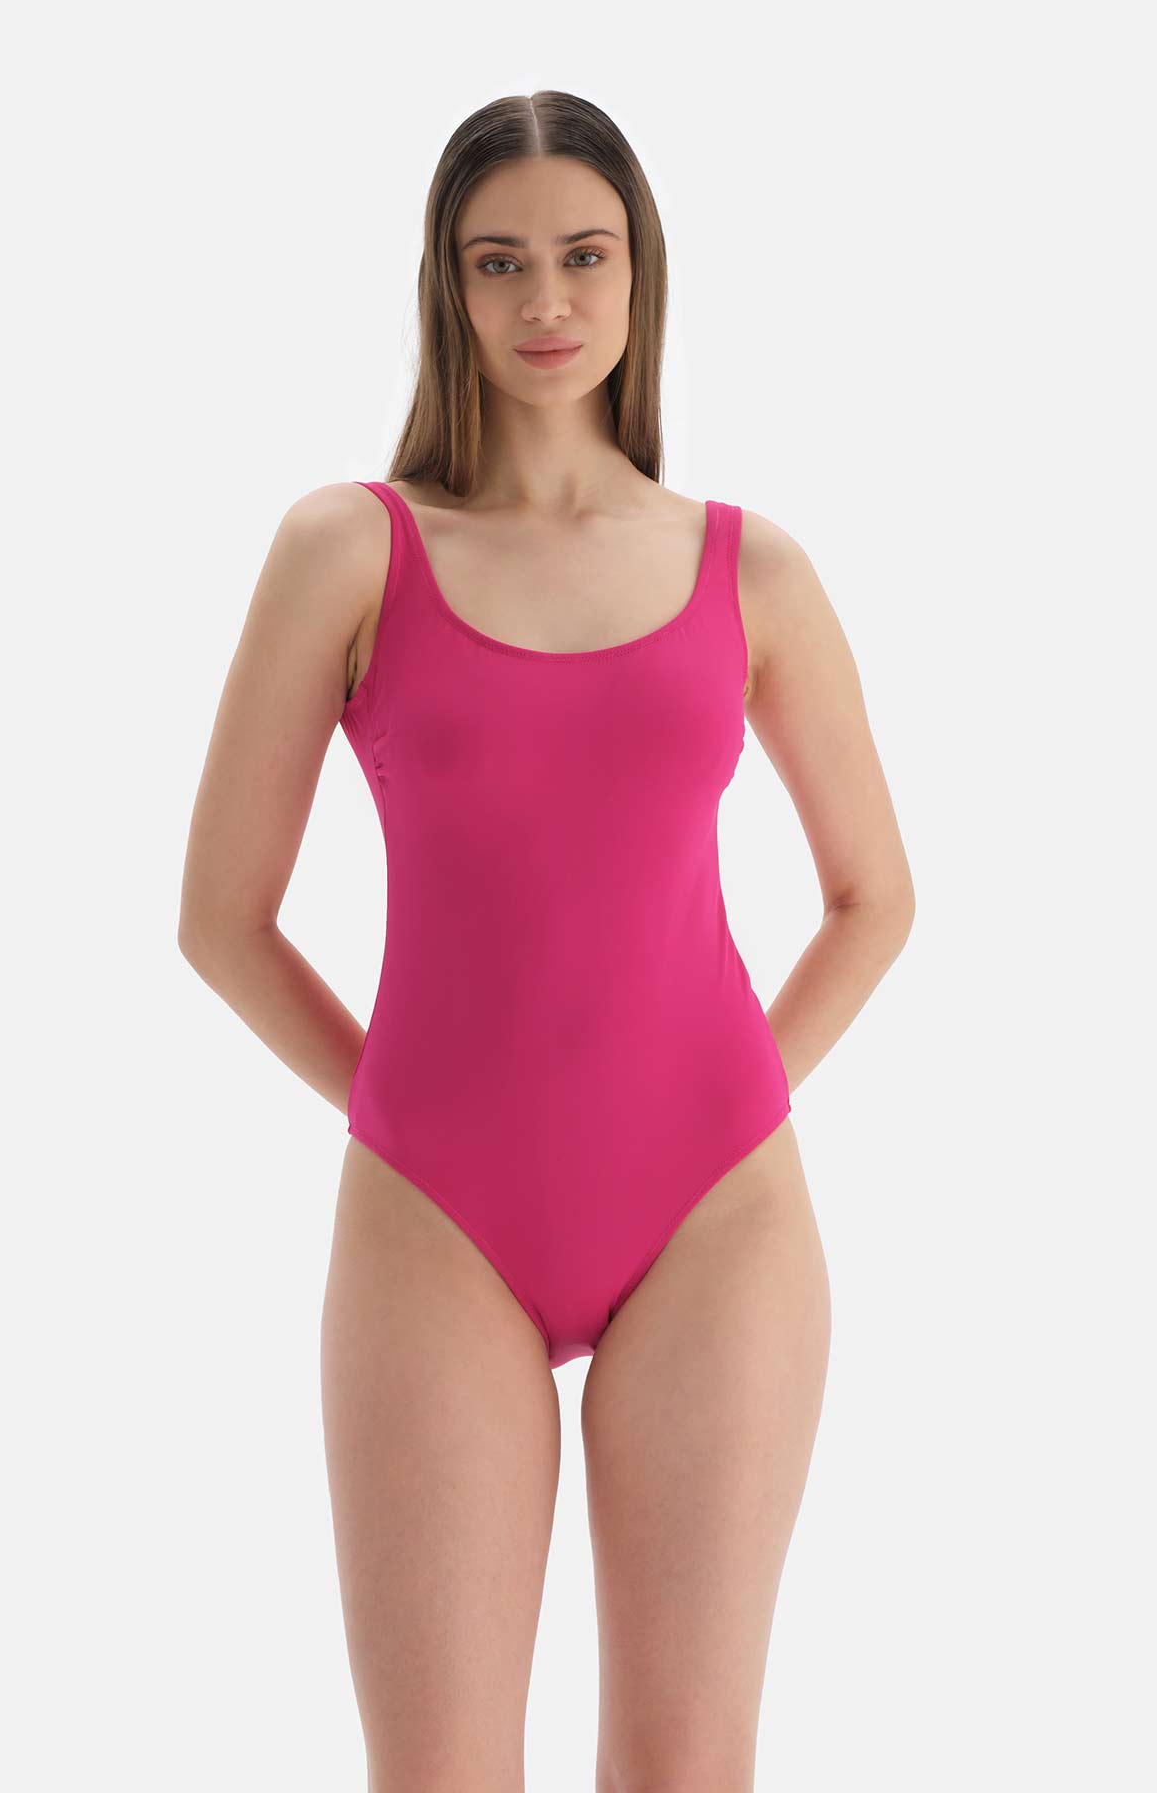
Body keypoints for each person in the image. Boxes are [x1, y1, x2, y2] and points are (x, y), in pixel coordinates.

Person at [179, 89, 914, 1793]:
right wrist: (409, 1108)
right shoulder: (349, 549)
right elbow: (220, 917)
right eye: (498, 262)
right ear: (447, 285)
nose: (546, 301)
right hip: (436, 1213)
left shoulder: (754, 571)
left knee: (687, 1768)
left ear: (640, 271)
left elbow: (876, 895)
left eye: (584, 256)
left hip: (718, 1214)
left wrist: (721, 1094)